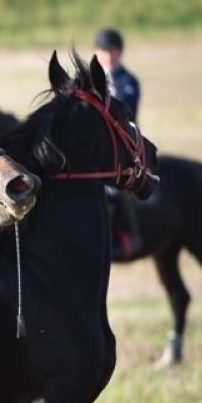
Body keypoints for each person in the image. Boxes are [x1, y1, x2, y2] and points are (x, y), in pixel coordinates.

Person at [92, 27, 144, 258]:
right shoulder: (92, 79)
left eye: (111, 51)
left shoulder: (128, 81)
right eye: (103, 51)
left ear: (119, 52)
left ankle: (129, 234)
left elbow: (126, 112)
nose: (108, 55)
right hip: (96, 143)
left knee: (118, 185)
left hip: (122, 142)